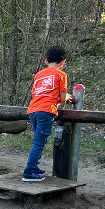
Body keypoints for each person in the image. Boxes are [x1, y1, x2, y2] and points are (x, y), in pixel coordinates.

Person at [23, 46, 75, 182]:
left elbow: (36, 94)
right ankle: (29, 172)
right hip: (46, 111)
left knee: (37, 141)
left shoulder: (38, 75)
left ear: (47, 61)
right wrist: (68, 97)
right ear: (63, 61)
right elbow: (63, 99)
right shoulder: (61, 75)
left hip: (33, 110)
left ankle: (33, 167)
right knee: (38, 143)